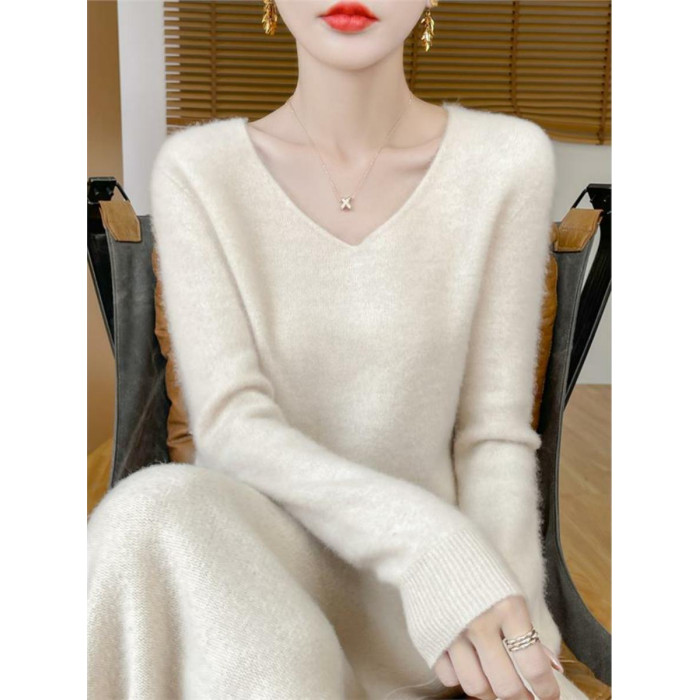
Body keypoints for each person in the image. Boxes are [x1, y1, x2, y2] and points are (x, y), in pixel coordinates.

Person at [88, 1, 590, 698]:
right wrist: (424, 539)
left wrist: (512, 623)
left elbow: (493, 435)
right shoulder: (198, 170)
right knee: (147, 511)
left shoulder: (506, 160)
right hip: (254, 580)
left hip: (430, 618)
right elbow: (231, 427)